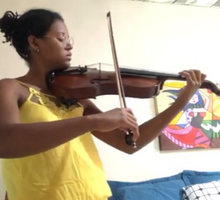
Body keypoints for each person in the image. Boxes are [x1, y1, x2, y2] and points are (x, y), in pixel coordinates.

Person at [0, 8, 206, 200]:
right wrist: (94, 121)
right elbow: (5, 142)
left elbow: (130, 145)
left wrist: (180, 102)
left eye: (69, 39)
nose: (70, 45)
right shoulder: (11, 88)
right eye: (61, 38)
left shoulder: (74, 97)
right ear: (35, 43)